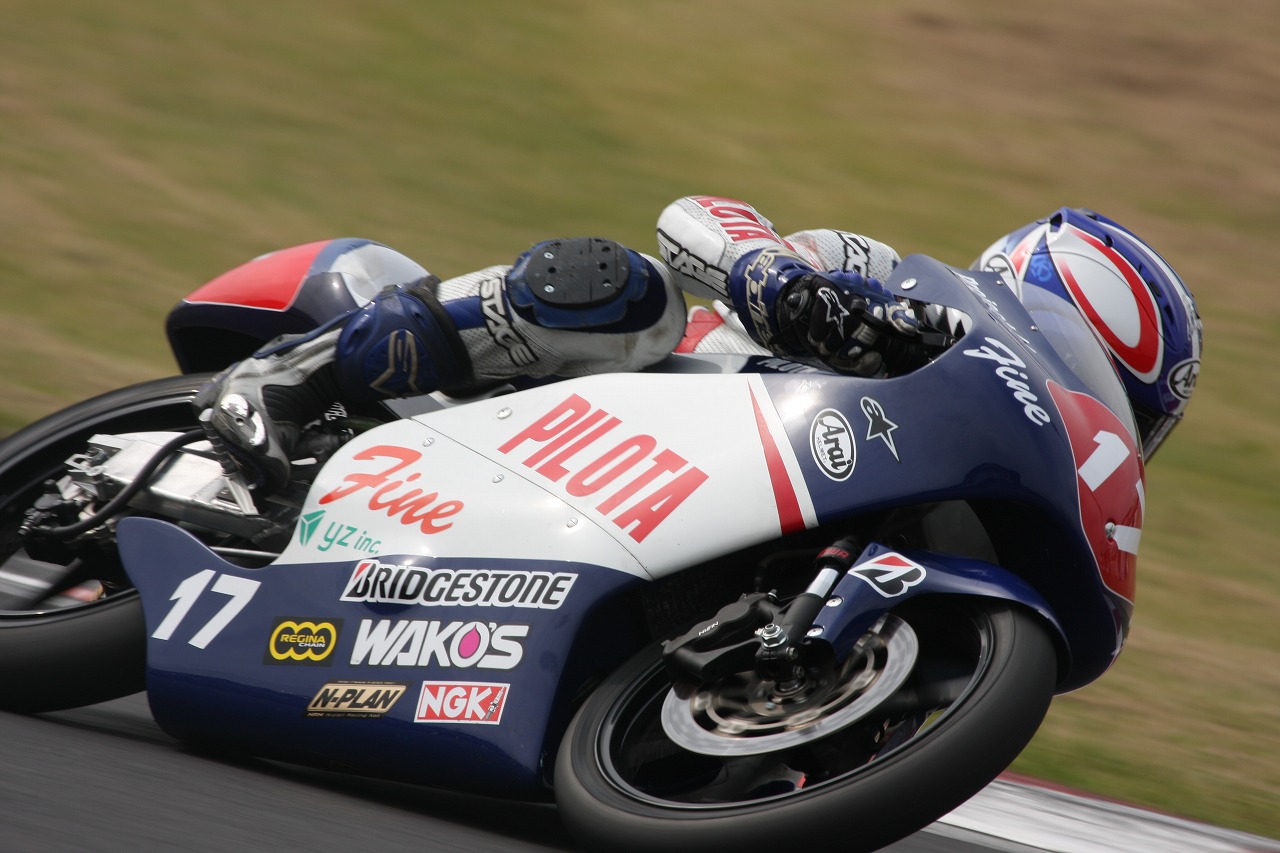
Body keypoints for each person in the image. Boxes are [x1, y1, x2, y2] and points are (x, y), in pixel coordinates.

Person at [195, 196, 1202, 494]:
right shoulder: (884, 275)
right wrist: (784, 283)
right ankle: (297, 376)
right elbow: (699, 216)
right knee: (630, 289)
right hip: (613, 421)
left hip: (692, 510)